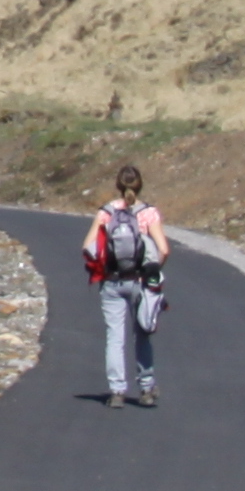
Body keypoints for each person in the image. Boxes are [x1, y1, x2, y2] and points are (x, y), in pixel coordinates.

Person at [83, 164, 167, 405]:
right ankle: (146, 388)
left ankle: (117, 391)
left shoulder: (106, 213)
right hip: (140, 281)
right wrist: (152, 274)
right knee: (142, 333)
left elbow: (88, 247)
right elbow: (164, 249)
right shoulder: (149, 214)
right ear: (140, 185)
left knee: (115, 337)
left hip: (111, 282)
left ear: (118, 186)